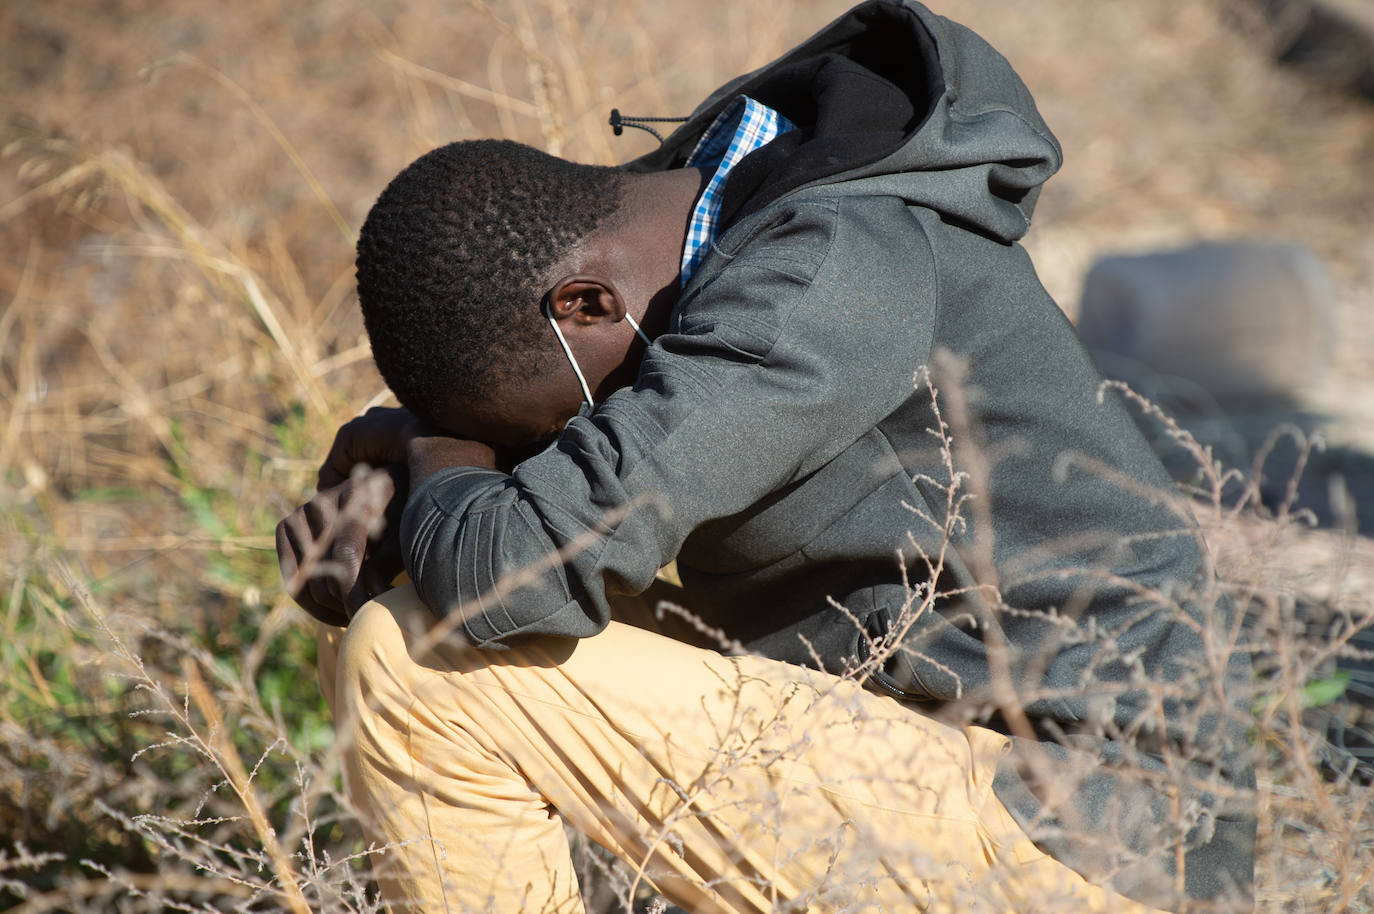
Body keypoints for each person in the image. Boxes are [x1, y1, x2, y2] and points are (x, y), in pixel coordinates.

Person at [276, 1, 1256, 910]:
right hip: (946, 747)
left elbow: (512, 570)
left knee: (419, 673)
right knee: (411, 597)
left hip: (1099, 834)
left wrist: (431, 445)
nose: (560, 445)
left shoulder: (818, 279)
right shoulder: (734, 233)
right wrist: (419, 495)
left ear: (585, 304)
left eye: (542, 425)